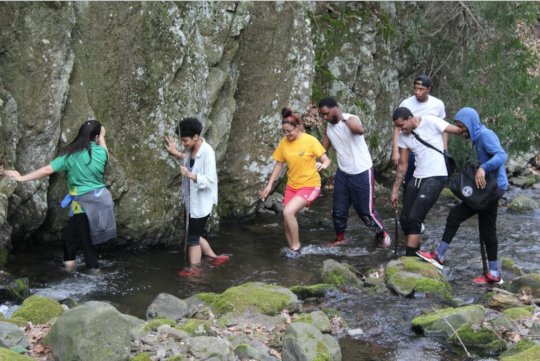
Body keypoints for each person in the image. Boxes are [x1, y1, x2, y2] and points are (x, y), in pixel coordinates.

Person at [1, 120, 116, 272]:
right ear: (95, 137)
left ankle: (96, 275)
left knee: (86, 243)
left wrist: (21, 178)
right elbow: (105, 152)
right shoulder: (101, 153)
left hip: (83, 205)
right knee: (69, 236)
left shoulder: (70, 155)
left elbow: (47, 170)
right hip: (101, 201)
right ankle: (69, 269)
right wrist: (102, 138)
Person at [417, 107, 508, 284]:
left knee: (456, 215)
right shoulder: (478, 137)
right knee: (487, 229)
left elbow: (501, 155)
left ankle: (439, 255)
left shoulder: (485, 135)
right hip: (491, 188)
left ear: (470, 124)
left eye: (461, 126)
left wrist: (483, 168)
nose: (460, 130)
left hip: (493, 188)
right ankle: (494, 274)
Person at [318, 97, 391, 248]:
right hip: (343, 173)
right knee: (338, 210)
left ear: (335, 108)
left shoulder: (351, 119)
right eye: (322, 115)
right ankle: (340, 238)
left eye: (326, 113)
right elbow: (321, 150)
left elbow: (358, 130)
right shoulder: (329, 129)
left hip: (362, 171)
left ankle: (382, 234)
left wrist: (345, 119)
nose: (325, 117)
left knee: (365, 211)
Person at [390, 107, 462, 257]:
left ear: (410, 118)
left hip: (436, 175)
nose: (400, 130)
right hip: (418, 176)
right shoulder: (404, 136)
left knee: (415, 218)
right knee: (405, 219)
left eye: (402, 125)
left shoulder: (430, 121)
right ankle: (414, 251)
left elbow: (458, 130)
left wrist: (473, 129)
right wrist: (395, 190)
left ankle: (409, 259)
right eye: (397, 127)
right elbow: (403, 165)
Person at [259, 107, 331, 255]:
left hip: (311, 185)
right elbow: (279, 164)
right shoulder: (284, 143)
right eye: (284, 132)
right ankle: (293, 250)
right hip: (292, 186)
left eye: (289, 131)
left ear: (298, 127)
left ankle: (297, 246)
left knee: (288, 212)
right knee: (286, 220)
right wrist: (269, 185)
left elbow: (326, 159)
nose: (287, 135)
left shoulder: (310, 141)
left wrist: (323, 165)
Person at [165, 117, 229, 277]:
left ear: (195, 137)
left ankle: (194, 269)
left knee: (193, 238)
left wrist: (191, 176)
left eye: (185, 141)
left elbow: (209, 180)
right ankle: (215, 257)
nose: (183, 144)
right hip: (191, 201)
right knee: (195, 233)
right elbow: (189, 160)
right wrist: (175, 153)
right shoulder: (191, 150)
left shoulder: (207, 152)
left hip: (201, 203)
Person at [393, 75, 447, 233]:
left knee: (427, 187)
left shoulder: (437, 104)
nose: (417, 92)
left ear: (429, 89)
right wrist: (395, 149)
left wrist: (444, 150)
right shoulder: (406, 104)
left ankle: (417, 219)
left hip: (430, 152)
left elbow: (443, 128)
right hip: (409, 149)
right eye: (415, 88)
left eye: (421, 89)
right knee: (409, 185)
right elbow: (398, 127)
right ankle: (409, 218)